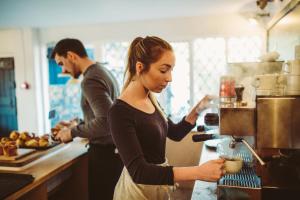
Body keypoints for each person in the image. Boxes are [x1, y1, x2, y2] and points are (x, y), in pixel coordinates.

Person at [108, 36, 225, 200]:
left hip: (157, 187)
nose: (169, 78)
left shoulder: (151, 100)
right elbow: (139, 172)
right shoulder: (119, 112)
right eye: (164, 70)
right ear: (140, 67)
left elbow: (175, 133)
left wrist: (199, 108)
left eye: (171, 70)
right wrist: (198, 172)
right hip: (136, 192)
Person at [51, 38, 123, 200]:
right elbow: (107, 115)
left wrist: (72, 132)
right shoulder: (103, 71)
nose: (63, 70)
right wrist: (79, 123)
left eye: (61, 63)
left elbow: (106, 122)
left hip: (104, 156)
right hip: (114, 154)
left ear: (71, 56)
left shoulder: (90, 80)